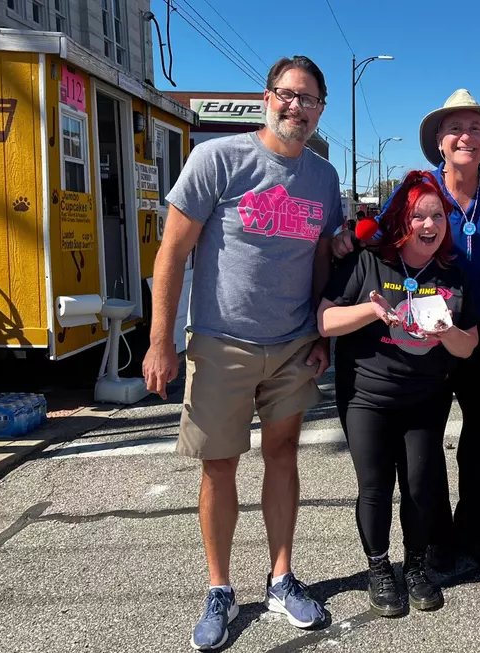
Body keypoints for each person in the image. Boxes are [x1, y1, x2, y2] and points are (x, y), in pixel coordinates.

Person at [143, 56, 338, 650]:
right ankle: (220, 589)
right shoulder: (217, 160)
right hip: (221, 342)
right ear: (267, 97)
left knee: (283, 456)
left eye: (308, 100)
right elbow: (171, 253)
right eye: (287, 95)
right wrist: (161, 342)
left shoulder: (324, 178)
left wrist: (322, 334)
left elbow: (324, 259)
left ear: (320, 110)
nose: (295, 108)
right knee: (219, 464)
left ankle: (281, 577)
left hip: (291, 345)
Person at [332, 89, 480, 571]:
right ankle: (434, 540)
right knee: (427, 448)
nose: (466, 136)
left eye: (476, 128)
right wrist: (343, 240)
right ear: (439, 140)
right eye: (455, 128)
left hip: (476, 328)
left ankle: (475, 534)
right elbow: (378, 239)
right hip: (421, 336)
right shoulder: (418, 191)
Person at [317, 171, 479, 618]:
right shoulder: (369, 261)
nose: (429, 225)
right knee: (374, 486)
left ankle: (416, 565)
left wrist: (446, 333)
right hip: (367, 394)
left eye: (437, 216)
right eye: (418, 216)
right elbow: (325, 322)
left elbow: (470, 344)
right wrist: (371, 311)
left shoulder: (452, 272)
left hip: (425, 396)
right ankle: (378, 567)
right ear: (402, 221)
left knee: (421, 487)